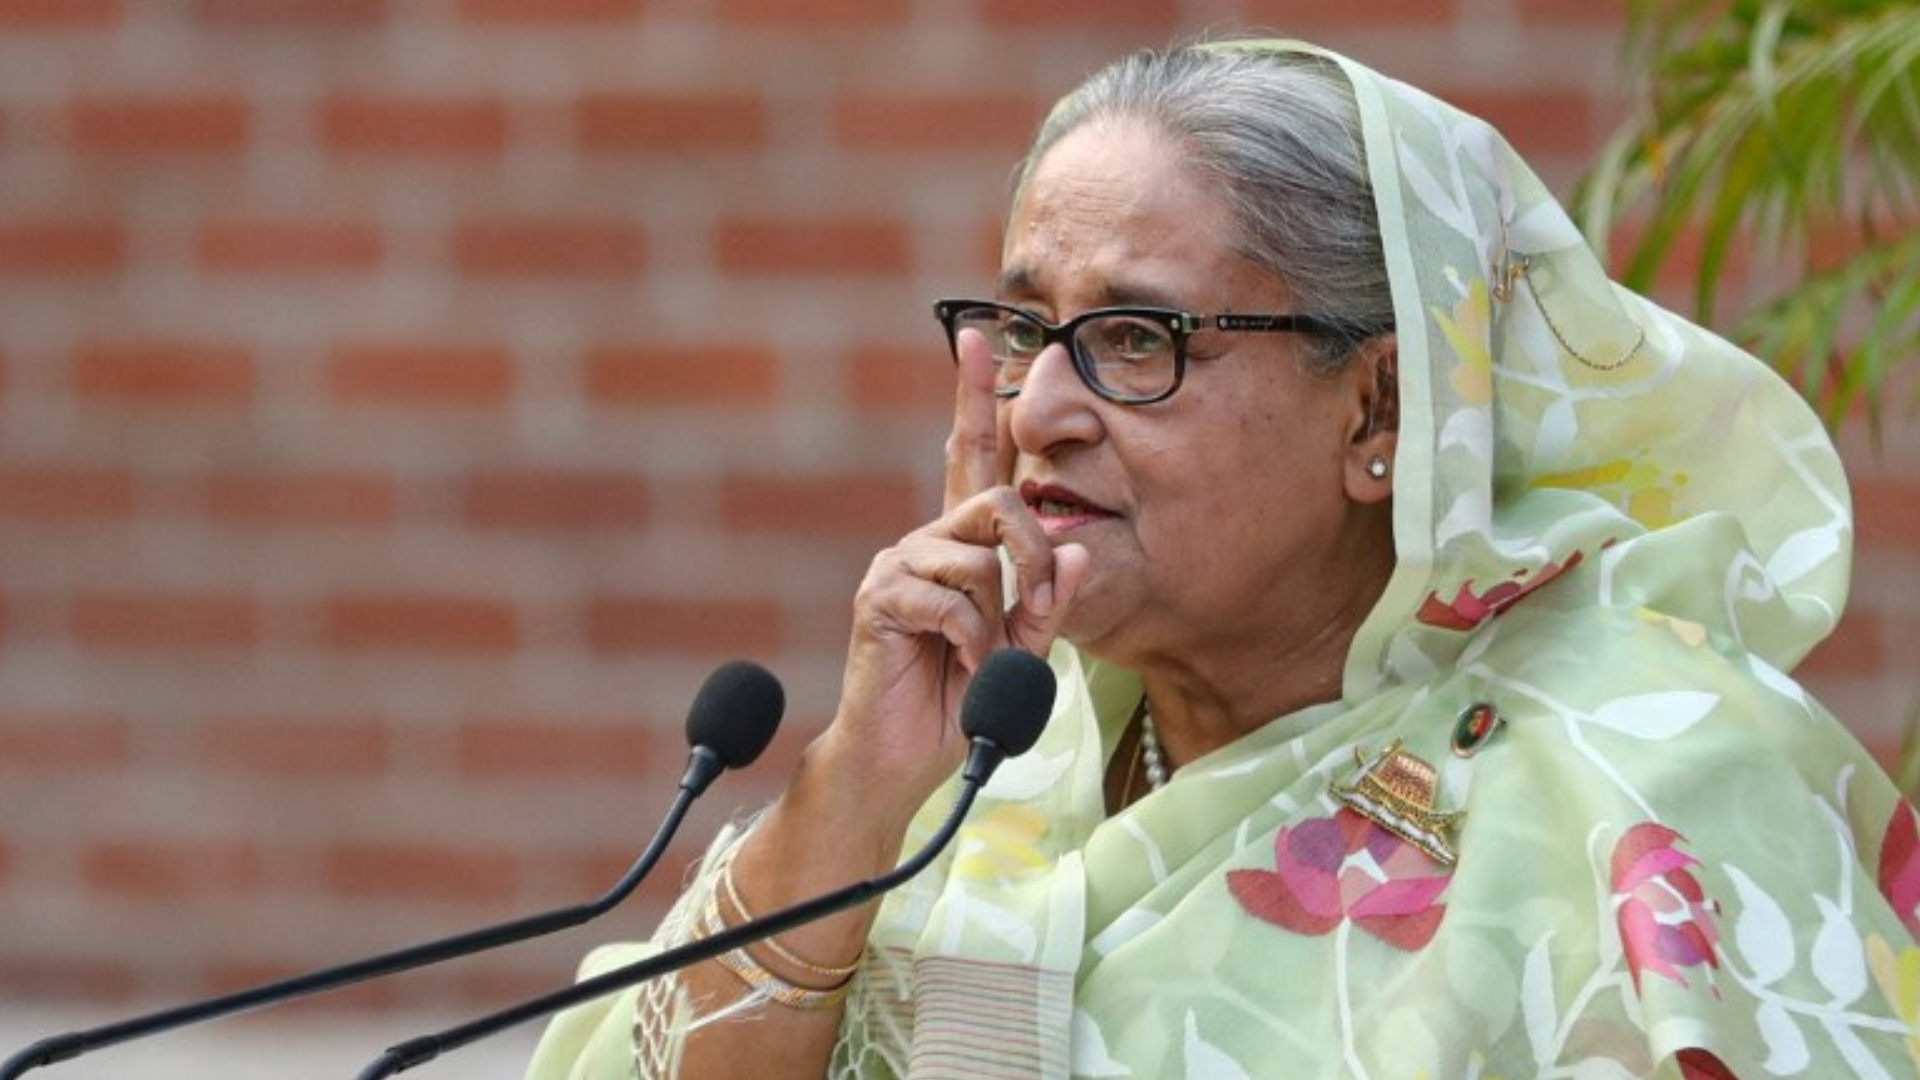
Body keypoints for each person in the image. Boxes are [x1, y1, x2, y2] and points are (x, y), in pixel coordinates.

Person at [524, 38, 1919, 1079]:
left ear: (1376, 412)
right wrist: (855, 788)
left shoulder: (1649, 781)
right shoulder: (992, 761)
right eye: (1027, 332)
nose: (1038, 410)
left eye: (1137, 339)